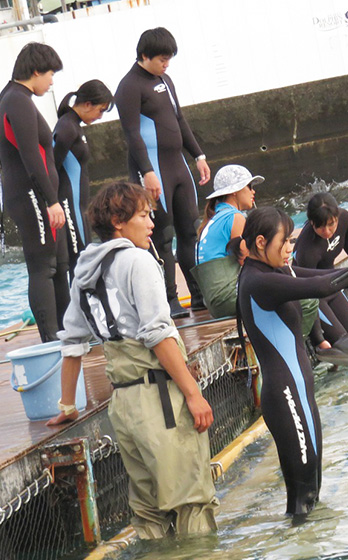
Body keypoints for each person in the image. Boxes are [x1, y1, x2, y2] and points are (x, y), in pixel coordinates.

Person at [47, 182, 218, 539]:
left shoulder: (83, 271)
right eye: (143, 215)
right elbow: (158, 336)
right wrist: (192, 393)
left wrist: (67, 404)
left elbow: (73, 342)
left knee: (149, 510)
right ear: (118, 221)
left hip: (123, 406)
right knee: (191, 502)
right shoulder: (139, 261)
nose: (151, 223)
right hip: (159, 399)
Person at [236, 206, 348, 522]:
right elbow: (323, 288)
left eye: (291, 240)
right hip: (286, 398)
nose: (291, 248)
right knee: (302, 499)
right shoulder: (257, 281)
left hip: (300, 396)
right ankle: (297, 548)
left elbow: (323, 276)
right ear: (261, 242)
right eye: (284, 242)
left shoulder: (275, 271)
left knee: (313, 493)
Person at [114, 27, 209, 319]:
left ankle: (198, 295)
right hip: (153, 173)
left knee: (190, 232)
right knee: (162, 237)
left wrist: (199, 155)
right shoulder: (129, 87)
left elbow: (180, 120)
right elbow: (132, 134)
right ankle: (168, 300)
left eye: (169, 59)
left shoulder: (165, 80)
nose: (166, 64)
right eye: (162, 59)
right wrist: (147, 172)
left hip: (178, 167)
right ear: (145, 56)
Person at [0, 42, 67, 342]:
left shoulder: (12, 97)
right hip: (31, 195)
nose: (52, 81)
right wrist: (50, 201)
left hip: (28, 193)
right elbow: (30, 155)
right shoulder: (17, 100)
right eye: (51, 74)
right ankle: (51, 340)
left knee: (54, 265)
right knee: (43, 266)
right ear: (36, 71)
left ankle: (63, 334)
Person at [53, 79, 114, 274]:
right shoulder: (66, 127)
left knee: (85, 257)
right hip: (69, 206)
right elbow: (50, 166)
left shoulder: (74, 125)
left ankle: (86, 303)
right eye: (100, 110)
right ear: (88, 104)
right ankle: (79, 304)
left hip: (78, 207)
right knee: (79, 260)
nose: (100, 116)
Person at [192, 164, 263, 318]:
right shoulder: (235, 217)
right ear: (235, 191)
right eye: (249, 186)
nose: (253, 191)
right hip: (228, 298)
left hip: (214, 302)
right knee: (301, 298)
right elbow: (248, 261)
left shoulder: (212, 220)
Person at [293, 192, 348, 344]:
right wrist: (318, 338)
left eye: (331, 224)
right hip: (314, 297)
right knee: (342, 341)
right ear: (311, 223)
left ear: (337, 217)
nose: (327, 232)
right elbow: (307, 295)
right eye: (320, 227)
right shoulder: (306, 248)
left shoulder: (345, 219)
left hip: (333, 287)